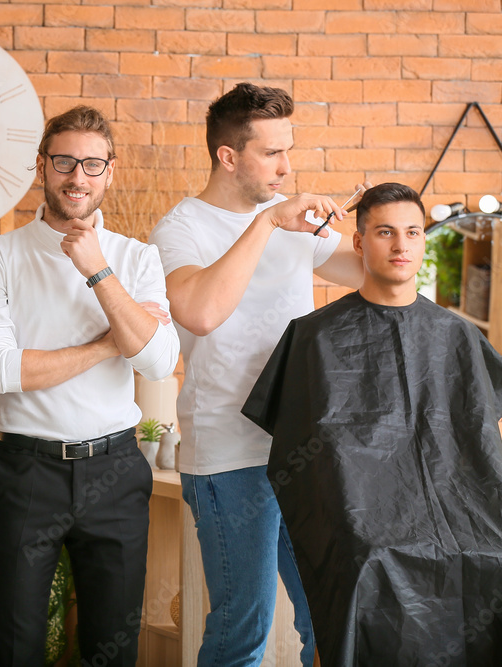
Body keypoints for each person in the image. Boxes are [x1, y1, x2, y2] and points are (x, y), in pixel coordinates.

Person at [148, 82, 365, 666]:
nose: (287, 167)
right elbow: (199, 311)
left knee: (329, 617)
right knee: (243, 629)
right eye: (272, 153)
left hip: (300, 448)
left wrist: (379, 227)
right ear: (228, 155)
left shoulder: (294, 223)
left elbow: (370, 272)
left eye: (288, 151)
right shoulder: (180, 229)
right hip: (227, 457)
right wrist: (269, 224)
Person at [243, 183, 502, 666]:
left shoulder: (460, 336)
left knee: (491, 557)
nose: (401, 245)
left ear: (425, 240)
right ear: (359, 243)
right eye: (385, 232)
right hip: (361, 529)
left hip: (463, 522)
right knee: (366, 563)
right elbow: (302, 458)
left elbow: (480, 444)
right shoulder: (313, 338)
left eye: (412, 232)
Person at [0, 106, 180, 666]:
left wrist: (99, 271)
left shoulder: (137, 258)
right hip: (25, 472)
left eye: (91, 163)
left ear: (110, 170)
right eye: (64, 161)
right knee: (15, 647)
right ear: (42, 166)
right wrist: (109, 345)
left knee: (113, 647)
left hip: (114, 470)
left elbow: (157, 362)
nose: (77, 177)